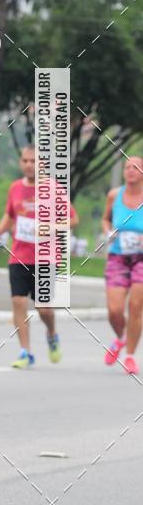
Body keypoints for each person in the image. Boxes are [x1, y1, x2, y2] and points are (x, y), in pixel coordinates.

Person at [0, 145, 78, 368]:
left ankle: (52, 333)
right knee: (18, 302)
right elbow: (10, 216)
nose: (29, 165)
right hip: (18, 255)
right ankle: (25, 352)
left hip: (46, 257)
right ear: (21, 163)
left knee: (44, 308)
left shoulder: (54, 189)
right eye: (25, 161)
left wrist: (51, 227)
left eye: (34, 161)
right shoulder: (15, 188)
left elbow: (73, 220)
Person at [101, 155, 143, 375]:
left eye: (136, 167)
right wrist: (108, 232)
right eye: (127, 166)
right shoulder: (114, 195)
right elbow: (106, 219)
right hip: (118, 256)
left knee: (136, 307)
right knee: (114, 310)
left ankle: (130, 357)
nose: (130, 170)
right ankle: (122, 339)